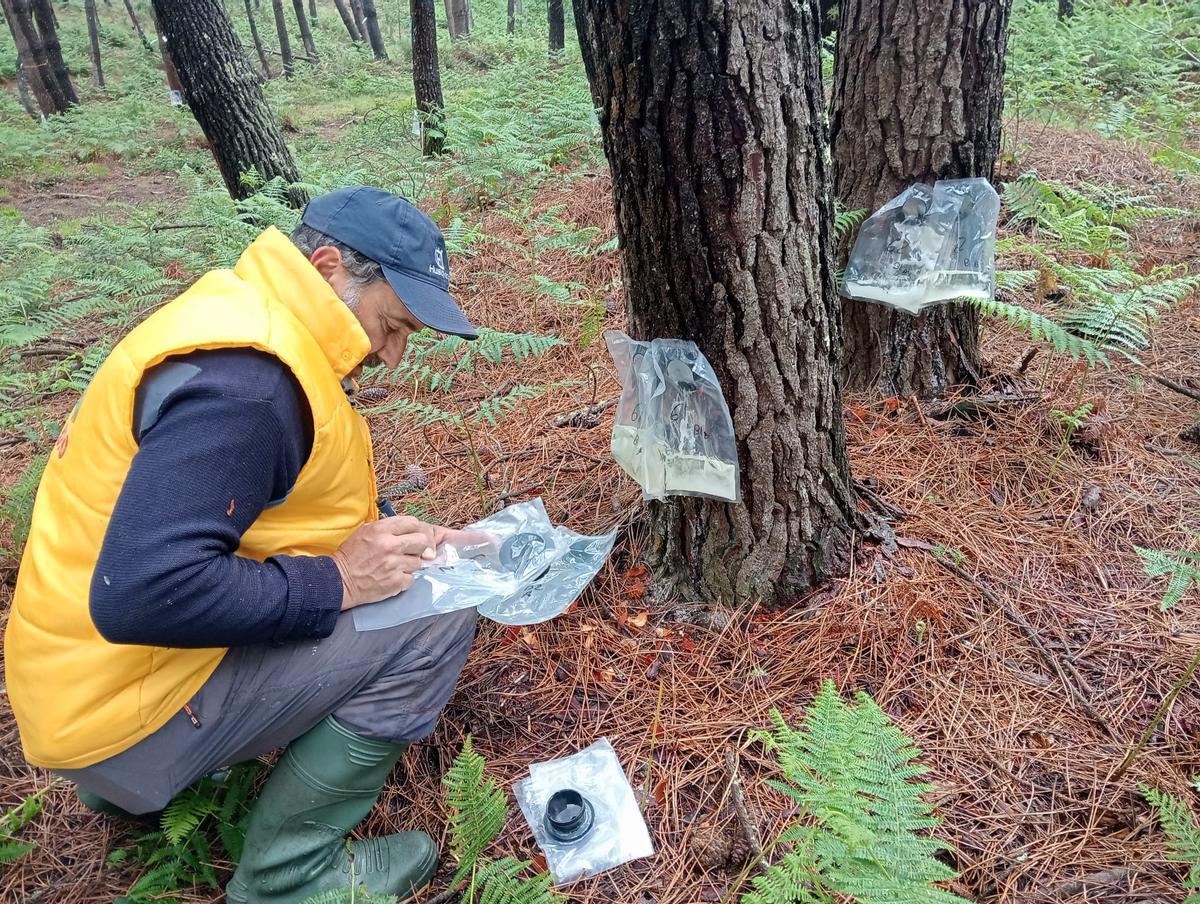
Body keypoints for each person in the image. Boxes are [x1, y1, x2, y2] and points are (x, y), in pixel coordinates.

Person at [4, 187, 482, 903]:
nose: (391, 355)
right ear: (328, 270)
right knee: (437, 616)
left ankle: (130, 790)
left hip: (72, 687)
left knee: (416, 582)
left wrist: (399, 541)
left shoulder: (241, 318)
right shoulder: (252, 389)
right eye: (391, 325)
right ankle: (288, 879)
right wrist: (341, 582)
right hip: (118, 715)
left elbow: (270, 508)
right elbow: (142, 591)